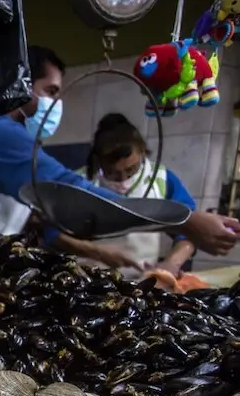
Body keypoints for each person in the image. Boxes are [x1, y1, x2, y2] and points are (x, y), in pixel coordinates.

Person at [0, 46, 240, 260]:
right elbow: (77, 196)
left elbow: (39, 215)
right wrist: (191, 220)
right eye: (50, 90)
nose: (55, 103)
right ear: (20, 85)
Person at [79, 113, 198, 276]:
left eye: (130, 169)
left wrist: (172, 263)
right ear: (98, 161)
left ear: (142, 152)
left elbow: (191, 229)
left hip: (140, 280)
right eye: (112, 173)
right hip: (87, 281)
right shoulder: (79, 182)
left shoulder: (161, 179)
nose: (123, 180)